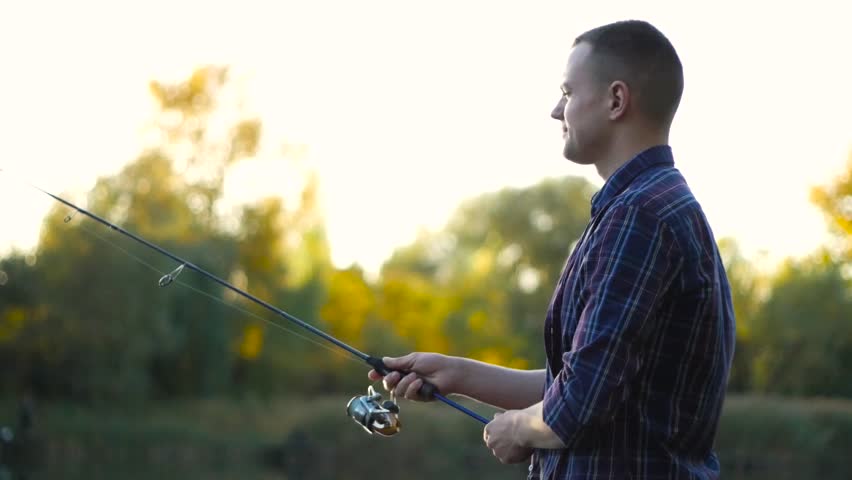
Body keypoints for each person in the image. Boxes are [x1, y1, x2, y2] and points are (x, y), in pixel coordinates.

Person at [369, 19, 736, 479]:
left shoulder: (639, 217)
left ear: (616, 100)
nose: (555, 110)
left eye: (567, 91)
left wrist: (518, 430)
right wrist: (458, 375)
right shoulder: (650, 207)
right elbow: (583, 384)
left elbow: (576, 403)